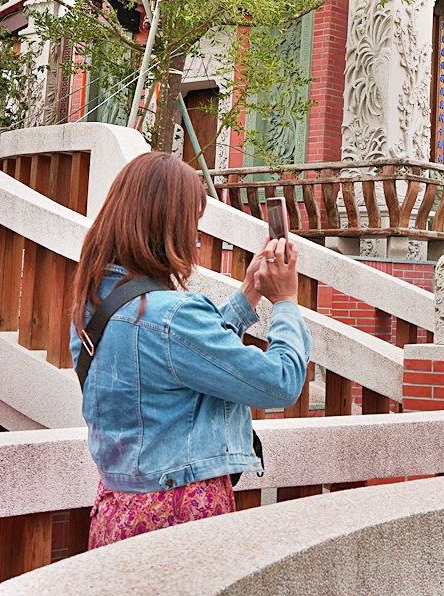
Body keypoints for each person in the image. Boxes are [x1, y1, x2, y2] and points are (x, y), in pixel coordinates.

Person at [69, 152, 309, 549]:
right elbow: (281, 383)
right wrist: (284, 301)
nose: (196, 240)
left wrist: (249, 293)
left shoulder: (90, 307)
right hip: (181, 515)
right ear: (168, 228)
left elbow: (186, 359)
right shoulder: (172, 315)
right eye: (192, 226)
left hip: (116, 512)